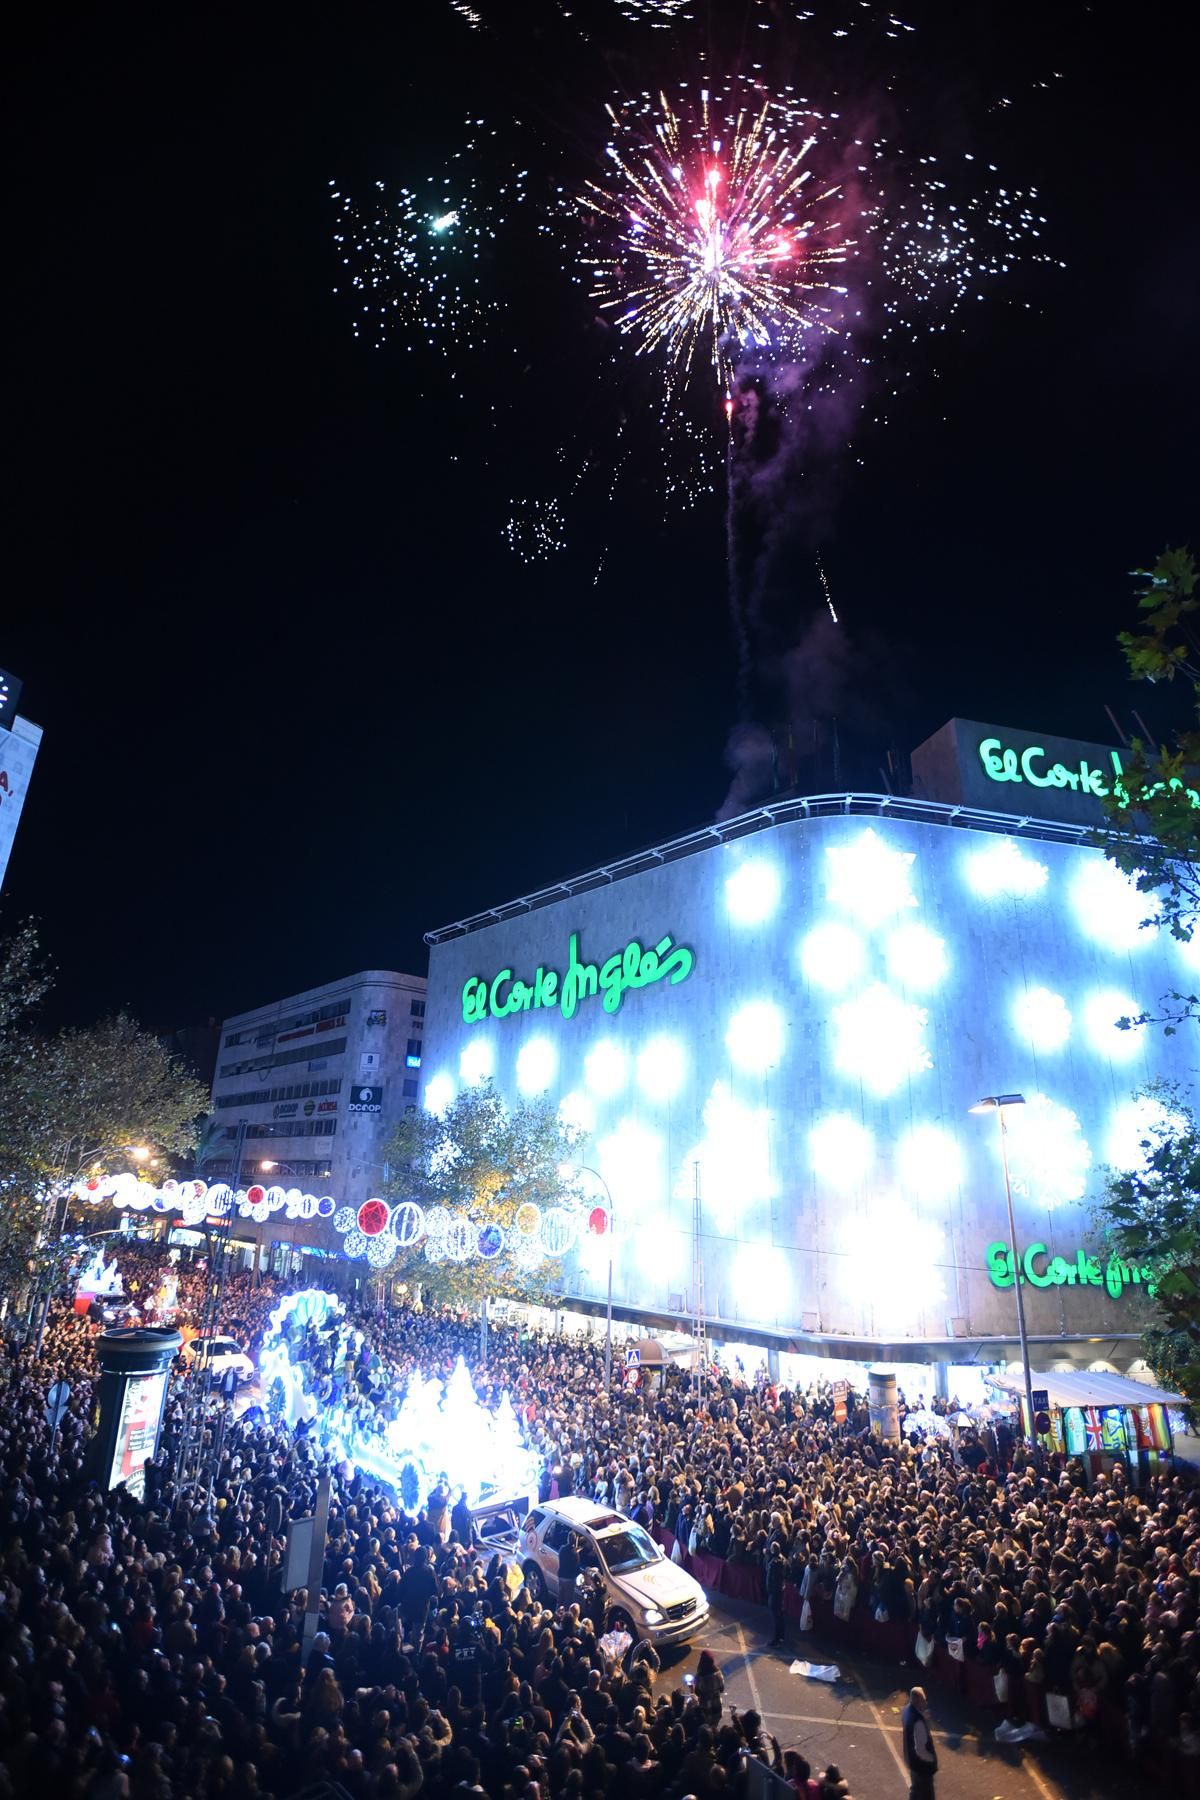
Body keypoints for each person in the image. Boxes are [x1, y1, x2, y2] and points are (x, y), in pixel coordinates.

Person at [902, 1686, 938, 1800]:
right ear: (917, 1702)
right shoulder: (918, 1722)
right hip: (922, 1768)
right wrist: (931, 1759)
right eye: (924, 1700)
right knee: (926, 1794)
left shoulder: (906, 1711)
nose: (926, 1703)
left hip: (912, 1762)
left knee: (916, 1789)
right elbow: (921, 1750)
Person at [558, 1529, 582, 1608]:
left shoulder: (562, 1549)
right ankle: (565, 1617)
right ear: (575, 1541)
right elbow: (577, 1568)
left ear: (567, 1539)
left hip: (561, 1577)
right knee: (567, 1601)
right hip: (569, 1579)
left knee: (560, 1599)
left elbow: (561, 1556)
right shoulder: (575, 1554)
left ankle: (557, 1613)